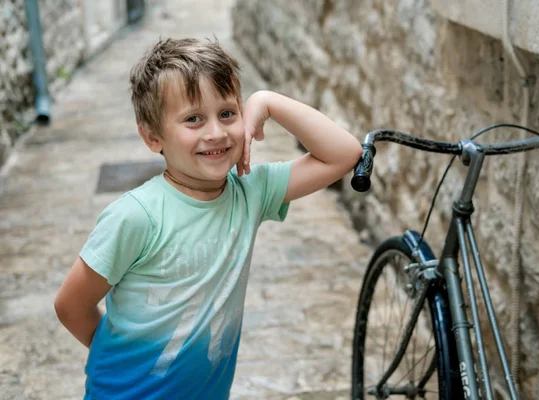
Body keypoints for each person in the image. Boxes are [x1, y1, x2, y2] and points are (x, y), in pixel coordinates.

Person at [53, 37, 363, 399]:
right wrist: (126, 354)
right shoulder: (136, 217)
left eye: (227, 114)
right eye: (194, 119)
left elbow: (344, 154)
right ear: (153, 137)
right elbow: (71, 306)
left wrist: (267, 102)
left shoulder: (250, 191)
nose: (215, 132)